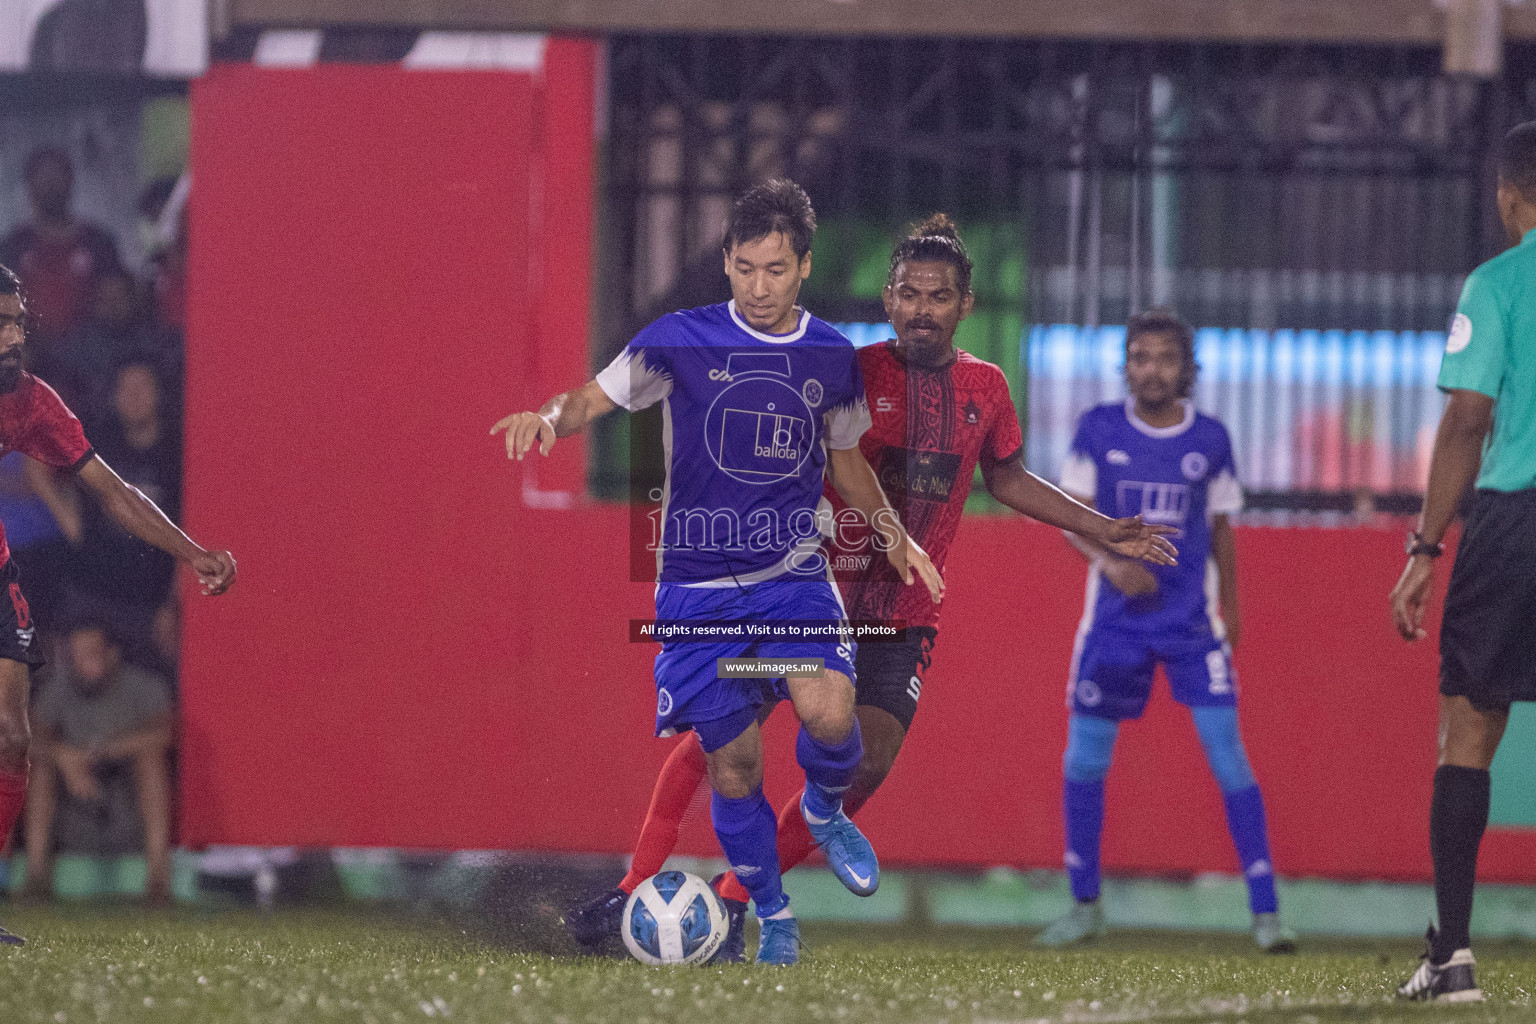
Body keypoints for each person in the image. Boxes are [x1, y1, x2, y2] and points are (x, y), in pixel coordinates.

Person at [563, 216, 1177, 962]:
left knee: (868, 761)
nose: (922, 307)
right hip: (804, 597)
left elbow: (1007, 476)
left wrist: (1102, 526)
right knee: (719, 739)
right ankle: (634, 885)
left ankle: (732, 899)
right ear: (887, 299)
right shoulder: (846, 369)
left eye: (939, 295)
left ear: (965, 304)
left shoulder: (988, 388)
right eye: (909, 292)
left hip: (901, 616)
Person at [494, 180, 945, 966]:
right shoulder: (679, 339)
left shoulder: (831, 355)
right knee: (734, 766)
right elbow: (593, 400)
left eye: (774, 269)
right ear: (728, 265)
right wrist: (547, 416)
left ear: (803, 265)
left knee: (832, 716)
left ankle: (827, 807)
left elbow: (846, 463)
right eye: (743, 269)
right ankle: (772, 915)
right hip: (697, 594)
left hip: (791, 576)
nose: (757, 287)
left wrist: (892, 533)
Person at [1035, 308, 1294, 954]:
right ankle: (1084, 906)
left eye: (1166, 359)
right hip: (1115, 625)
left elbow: (1225, 527)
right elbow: (1070, 516)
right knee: (1084, 759)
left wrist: (1231, 606)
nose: (1153, 370)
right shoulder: (1098, 429)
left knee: (1228, 755)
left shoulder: (1210, 439)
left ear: (1187, 370)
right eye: (1141, 357)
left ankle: (1267, 916)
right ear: (1127, 365)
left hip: (1189, 626)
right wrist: (1111, 564)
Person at [0, 263, 236, 945]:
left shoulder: (32, 401)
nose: (14, 335)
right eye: (1, 323)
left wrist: (191, 553)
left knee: (13, 742)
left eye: (19, 321)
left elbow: (115, 493)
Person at [1389, 121, 1536, 1003]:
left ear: (1510, 194)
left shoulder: (1499, 281)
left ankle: (1453, 960)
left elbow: (1468, 419)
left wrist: (1423, 547)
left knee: (1470, 732)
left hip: (1517, 520)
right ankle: (1441, 948)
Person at [23, 620, 175, 903]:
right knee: (40, 769)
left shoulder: (141, 686)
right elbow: (26, 738)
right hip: (73, 815)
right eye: (76, 655)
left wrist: (104, 750)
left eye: (90, 653)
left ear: (111, 654)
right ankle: (35, 878)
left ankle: (158, 880)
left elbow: (164, 733)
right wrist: (64, 757)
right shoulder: (58, 689)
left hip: (125, 812)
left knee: (151, 764)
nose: (82, 663)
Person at [63, 360, 182, 668]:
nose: (133, 396)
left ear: (159, 394)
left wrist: (173, 604)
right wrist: (71, 523)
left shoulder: (177, 454)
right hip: (92, 596)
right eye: (125, 388)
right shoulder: (99, 444)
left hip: (150, 605)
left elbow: (191, 531)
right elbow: (39, 461)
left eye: (142, 387)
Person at [0, 148, 122, 370]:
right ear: (30, 185)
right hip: (28, 361)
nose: (51, 185)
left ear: (70, 181)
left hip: (89, 363)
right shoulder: (13, 246)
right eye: (43, 178)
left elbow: (115, 304)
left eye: (57, 177)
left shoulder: (98, 242)